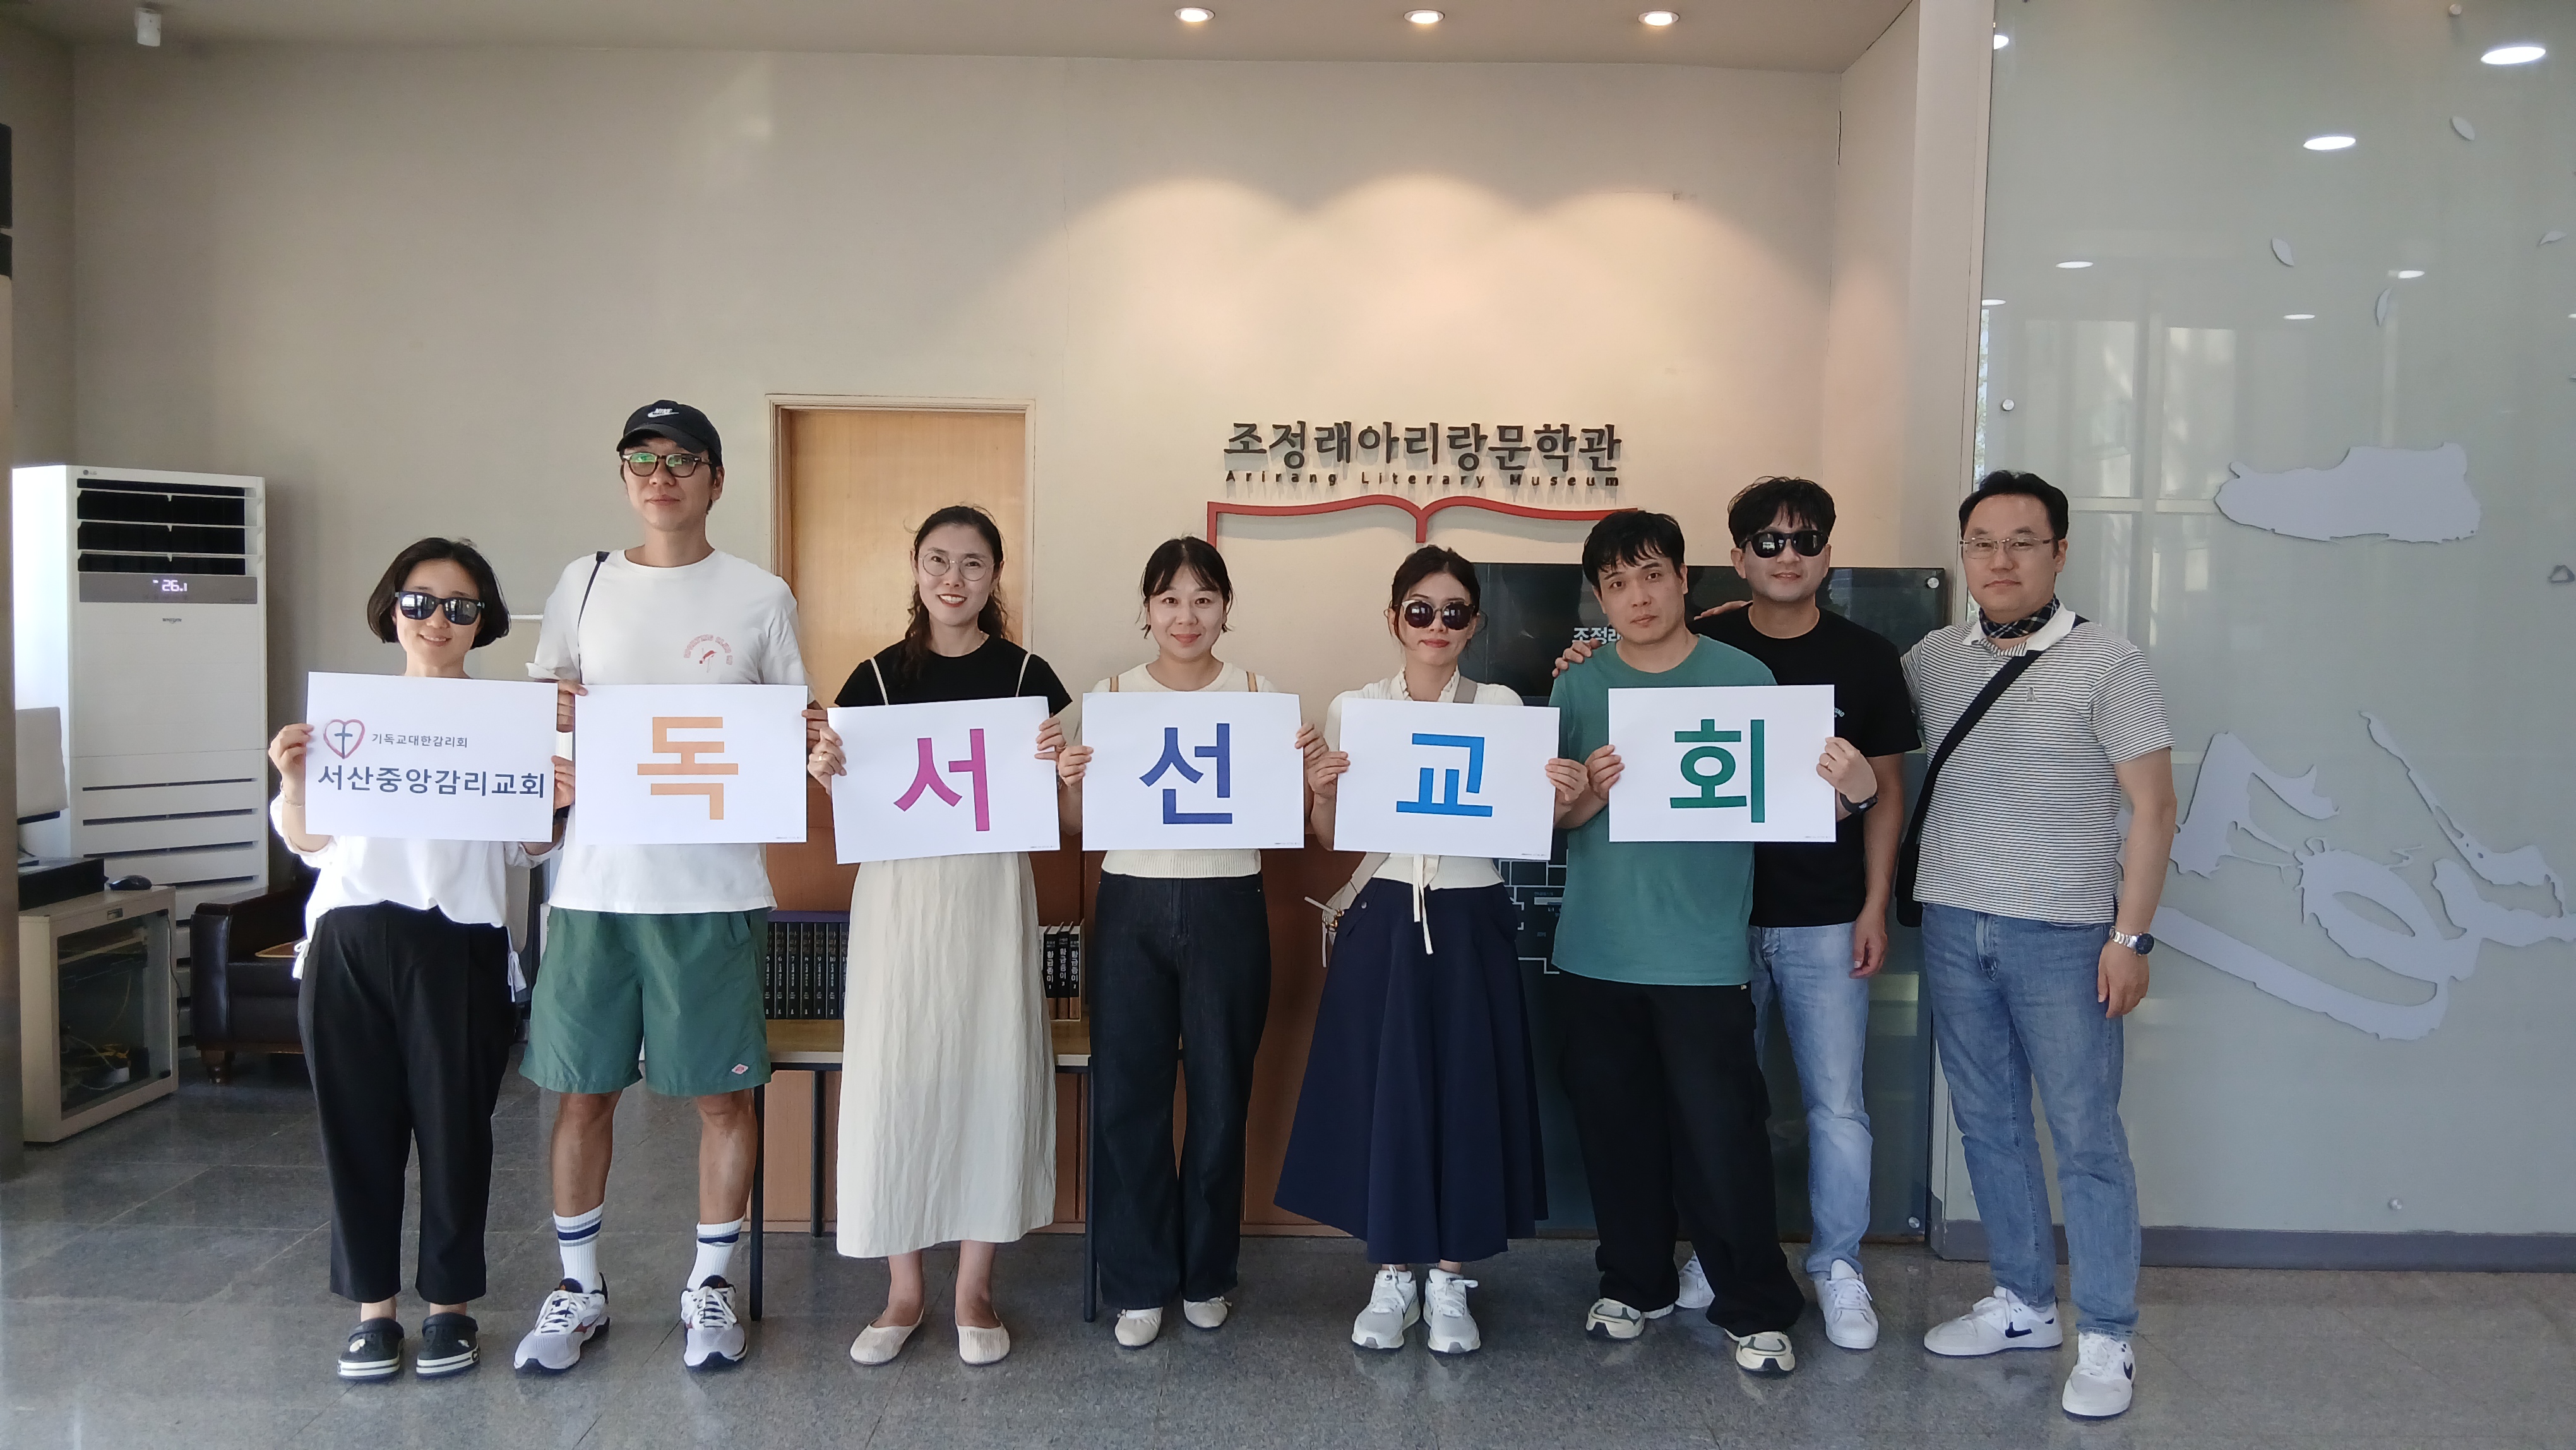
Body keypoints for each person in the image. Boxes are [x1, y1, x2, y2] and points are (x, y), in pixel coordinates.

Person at [1556, 477, 1916, 1351]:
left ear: (1686, 579)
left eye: (1652, 575)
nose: (1638, 597)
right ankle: (1633, 1284)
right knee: (1617, 1133)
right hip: (1597, 950)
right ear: (1600, 598)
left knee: (1724, 1138)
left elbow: (1795, 803)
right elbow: (1555, 821)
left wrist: (1857, 792)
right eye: (1617, 584)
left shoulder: (1744, 676)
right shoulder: (1579, 687)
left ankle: (1755, 1307)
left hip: (1708, 951)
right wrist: (1589, 795)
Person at [512, 400, 808, 1375]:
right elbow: (543, 713)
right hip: (594, 888)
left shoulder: (761, 596)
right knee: (581, 1094)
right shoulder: (584, 583)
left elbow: (791, 732)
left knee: (722, 1100)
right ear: (624, 476)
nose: (661, 475)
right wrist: (550, 722)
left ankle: (710, 1287)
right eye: (642, 459)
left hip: (713, 892)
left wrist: (814, 742)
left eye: (682, 460)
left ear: (717, 479)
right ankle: (578, 1289)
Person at [267, 537, 571, 1381]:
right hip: (351, 940)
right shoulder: (346, 717)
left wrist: (553, 803)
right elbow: (310, 842)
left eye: (461, 607)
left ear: (484, 622)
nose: (439, 620)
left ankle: (450, 1307)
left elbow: (523, 849)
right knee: (357, 1133)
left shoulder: (507, 722)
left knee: (456, 1135)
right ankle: (373, 1310)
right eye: (421, 602)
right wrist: (293, 779)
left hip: (460, 943)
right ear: (392, 609)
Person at [1905, 470, 2174, 1420]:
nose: (2001, 559)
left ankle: (2106, 1335)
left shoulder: (2109, 661)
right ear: (1964, 555)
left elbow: (2154, 807)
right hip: (1953, 921)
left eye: (2023, 541)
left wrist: (2130, 936)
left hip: (2065, 933)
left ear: (2060, 552)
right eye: (1983, 542)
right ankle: (2023, 1302)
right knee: (1989, 1124)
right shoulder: (1934, 659)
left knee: (2086, 1134)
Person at [1274, 546, 1573, 1355]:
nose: (1436, 625)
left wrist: (1561, 798)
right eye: (1419, 609)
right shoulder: (1356, 707)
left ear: (1474, 624)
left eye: (1453, 611)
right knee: (1387, 1092)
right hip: (1384, 914)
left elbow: (1526, 825)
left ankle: (1449, 1277)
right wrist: (1322, 791)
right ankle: (1392, 1273)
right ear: (1394, 619)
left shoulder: (1501, 705)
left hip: (1472, 915)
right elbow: (1332, 836)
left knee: (1465, 1091)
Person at [803, 505, 1070, 1368]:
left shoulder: (1027, 675)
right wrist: (825, 768)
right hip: (900, 902)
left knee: (992, 1068)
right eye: (938, 560)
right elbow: (852, 798)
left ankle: (974, 1289)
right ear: (917, 570)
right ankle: (903, 1290)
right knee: (898, 1075)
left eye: (973, 563)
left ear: (996, 576)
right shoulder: (875, 679)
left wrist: (1063, 769)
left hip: (991, 897)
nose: (954, 579)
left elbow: (1063, 811)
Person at [1053, 536, 1320, 1349]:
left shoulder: (1260, 697)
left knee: (1219, 1095)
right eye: (1169, 599)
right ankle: (1138, 1282)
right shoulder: (1108, 698)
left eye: (1204, 598)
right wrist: (1069, 782)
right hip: (1130, 902)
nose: (1186, 615)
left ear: (1226, 607)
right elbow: (1076, 825)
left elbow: (1291, 822)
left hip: (1228, 902)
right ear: (1146, 609)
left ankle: (1207, 1273)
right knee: (1127, 1097)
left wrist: (1309, 775)